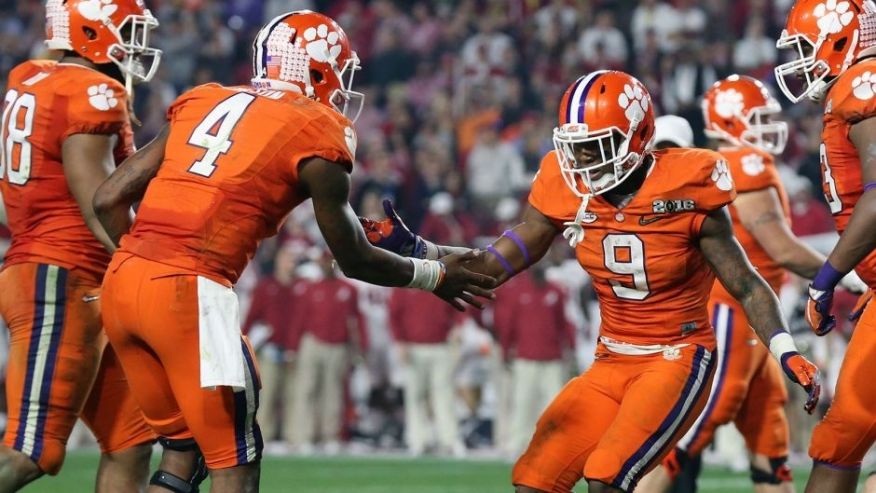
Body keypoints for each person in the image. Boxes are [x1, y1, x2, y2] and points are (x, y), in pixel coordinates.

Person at [91, 10, 495, 493]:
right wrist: (432, 275)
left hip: (122, 280)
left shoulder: (205, 99)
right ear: (319, 68)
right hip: (188, 292)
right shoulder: (316, 126)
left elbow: (108, 198)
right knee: (236, 464)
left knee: (180, 454)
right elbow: (354, 258)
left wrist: (146, 265)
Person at [362, 70, 821, 493]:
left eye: (595, 146)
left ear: (638, 138)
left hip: (675, 356)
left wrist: (786, 349)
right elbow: (496, 262)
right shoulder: (565, 187)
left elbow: (744, 282)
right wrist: (421, 250)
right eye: (575, 146)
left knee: (607, 476)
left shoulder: (688, 183)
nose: (580, 161)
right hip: (611, 359)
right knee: (533, 478)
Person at [640, 75, 868, 493]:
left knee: (770, 437)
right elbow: (780, 248)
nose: (769, 126)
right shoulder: (745, 164)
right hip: (731, 314)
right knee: (694, 428)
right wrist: (847, 276)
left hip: (758, 322)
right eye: (758, 118)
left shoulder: (733, 164)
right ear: (730, 122)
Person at [0, 0, 160, 491]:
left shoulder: (30, 77)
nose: (137, 42)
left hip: (67, 274)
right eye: (128, 28)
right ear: (93, 29)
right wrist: (148, 267)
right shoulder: (95, 91)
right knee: (33, 451)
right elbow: (99, 203)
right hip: (61, 276)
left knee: (131, 440)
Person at [775, 1, 876, 491]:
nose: (798, 63)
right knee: (840, 440)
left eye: (804, 49)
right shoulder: (848, 92)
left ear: (839, 39)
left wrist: (824, 281)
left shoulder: (864, 83)